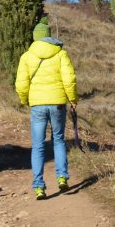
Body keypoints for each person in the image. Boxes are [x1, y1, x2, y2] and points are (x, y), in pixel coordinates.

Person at [15, 19, 77, 200]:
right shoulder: (61, 54)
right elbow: (69, 79)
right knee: (58, 139)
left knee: (38, 145)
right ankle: (62, 177)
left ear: (35, 38)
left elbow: (21, 84)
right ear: (49, 36)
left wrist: (25, 100)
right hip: (57, 102)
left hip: (37, 105)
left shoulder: (27, 56)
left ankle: (39, 187)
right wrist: (72, 99)